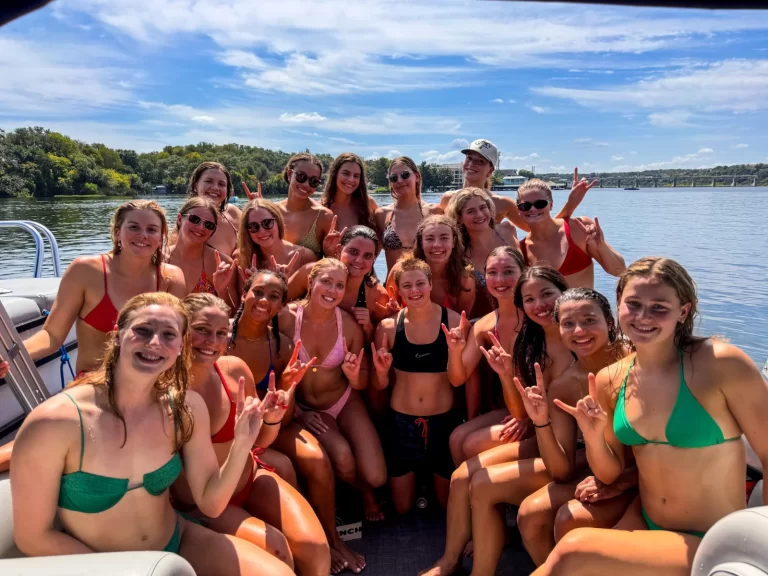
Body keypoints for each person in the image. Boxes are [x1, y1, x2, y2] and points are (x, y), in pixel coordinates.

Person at [10, 292, 293, 576]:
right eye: (143, 330)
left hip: (177, 541)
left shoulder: (184, 406)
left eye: (169, 335)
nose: (155, 343)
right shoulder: (55, 422)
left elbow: (211, 503)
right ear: (118, 335)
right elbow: (34, 537)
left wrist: (243, 441)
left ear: (180, 347)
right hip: (101, 565)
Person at [534, 257, 768, 576]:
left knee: (572, 552)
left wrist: (760, 541)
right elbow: (608, 473)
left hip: (715, 537)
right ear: (619, 304)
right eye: (634, 304)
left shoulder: (721, 364)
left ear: (683, 311)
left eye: (659, 307)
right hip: (645, 518)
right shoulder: (611, 378)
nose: (644, 317)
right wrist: (592, 435)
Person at [419, 265, 573, 576]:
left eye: (547, 295)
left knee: (482, 482)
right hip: (546, 438)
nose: (539, 305)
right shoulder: (533, 343)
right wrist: (505, 375)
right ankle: (449, 561)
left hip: (574, 450)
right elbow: (519, 411)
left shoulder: (580, 339)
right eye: (530, 299)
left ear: (564, 294)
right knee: (462, 477)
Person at [173, 293, 330, 575]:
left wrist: (271, 420)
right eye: (201, 330)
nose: (212, 341)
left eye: (221, 333)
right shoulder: (165, 392)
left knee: (316, 552)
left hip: (251, 479)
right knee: (278, 552)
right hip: (202, 505)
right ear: (181, 329)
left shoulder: (234, 370)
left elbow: (259, 443)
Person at [229, 269, 365, 574]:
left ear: (281, 307)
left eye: (274, 297)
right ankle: (302, 540)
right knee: (286, 467)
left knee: (318, 459)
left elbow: (284, 413)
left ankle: (333, 540)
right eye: (258, 292)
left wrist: (288, 395)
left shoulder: (281, 346)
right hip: (229, 434)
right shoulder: (220, 338)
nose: (265, 301)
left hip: (272, 426)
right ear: (244, 293)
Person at [515, 288, 635, 567]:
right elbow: (561, 471)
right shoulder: (564, 385)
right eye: (568, 323)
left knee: (570, 517)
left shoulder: (636, 362)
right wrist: (540, 420)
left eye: (589, 320)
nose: (579, 330)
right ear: (559, 330)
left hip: (644, 476)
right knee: (530, 515)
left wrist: (625, 481)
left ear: (609, 321)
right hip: (605, 470)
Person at [282, 259, 387, 531]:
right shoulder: (287, 318)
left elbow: (363, 381)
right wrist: (299, 413)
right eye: (326, 282)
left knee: (377, 475)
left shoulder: (348, 326)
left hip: (344, 400)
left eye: (340, 285)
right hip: (307, 408)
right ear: (310, 282)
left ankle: (366, 486)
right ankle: (362, 492)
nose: (332, 290)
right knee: (342, 456)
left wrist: (353, 374)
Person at [23, 200, 186, 374]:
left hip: (150, 387)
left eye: (152, 230)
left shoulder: (171, 278)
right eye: (134, 227)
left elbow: (177, 346)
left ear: (160, 239)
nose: (143, 235)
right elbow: (52, 336)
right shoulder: (85, 271)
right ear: (117, 233)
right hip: (92, 387)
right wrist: (7, 357)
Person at [371, 257, 463, 514]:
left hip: (443, 423)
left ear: (431, 284)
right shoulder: (388, 327)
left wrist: (455, 352)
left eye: (420, 283)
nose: (414, 290)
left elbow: (458, 380)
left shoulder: (453, 322)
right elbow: (380, 385)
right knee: (401, 509)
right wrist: (381, 372)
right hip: (402, 424)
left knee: (445, 508)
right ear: (397, 290)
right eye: (407, 285)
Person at [446, 246, 527, 463]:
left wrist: (529, 417)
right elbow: (457, 378)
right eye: (492, 272)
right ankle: (469, 492)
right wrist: (455, 351)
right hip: (510, 407)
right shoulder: (486, 325)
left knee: (472, 445)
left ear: (523, 273)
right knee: (456, 439)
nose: (500, 279)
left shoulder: (536, 315)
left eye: (509, 271)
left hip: (543, 409)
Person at [439, 140, 588, 229]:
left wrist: (571, 203)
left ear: (490, 170)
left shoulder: (502, 203)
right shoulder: (447, 199)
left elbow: (539, 229)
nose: (472, 164)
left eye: (480, 161)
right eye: (469, 158)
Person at [517, 177, 625, 289]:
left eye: (540, 204)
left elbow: (619, 271)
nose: (533, 209)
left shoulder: (579, 228)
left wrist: (601, 247)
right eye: (525, 206)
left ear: (551, 205)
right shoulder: (522, 250)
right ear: (518, 210)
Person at [445, 187, 518, 320]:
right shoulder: (458, 252)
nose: (479, 215)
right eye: (471, 211)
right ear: (459, 218)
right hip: (481, 321)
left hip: (519, 315)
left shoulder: (507, 231)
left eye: (483, 207)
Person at [387, 215, 476, 317]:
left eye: (444, 238)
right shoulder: (401, 270)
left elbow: (461, 323)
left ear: (454, 242)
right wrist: (394, 315)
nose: (437, 245)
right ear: (421, 242)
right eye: (430, 239)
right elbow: (387, 314)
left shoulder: (464, 280)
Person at [233, 198, 316, 307]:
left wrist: (286, 286)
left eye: (267, 223)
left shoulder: (305, 256)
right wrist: (251, 288)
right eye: (253, 227)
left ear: (278, 221)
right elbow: (239, 307)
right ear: (247, 231)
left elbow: (313, 304)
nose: (262, 231)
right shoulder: (241, 257)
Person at [375, 157, 442, 272]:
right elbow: (371, 254)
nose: (399, 181)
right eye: (394, 178)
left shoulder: (433, 211)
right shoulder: (382, 214)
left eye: (405, 175)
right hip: (392, 287)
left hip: (425, 286)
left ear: (416, 176)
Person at [166, 197, 230, 296]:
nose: (201, 227)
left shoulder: (222, 264)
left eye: (208, 225)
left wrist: (222, 291)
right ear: (179, 219)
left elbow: (234, 310)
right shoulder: (158, 259)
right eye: (194, 219)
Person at [276, 153, 335, 260]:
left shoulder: (324, 216)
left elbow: (331, 265)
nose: (306, 185)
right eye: (301, 176)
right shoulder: (271, 212)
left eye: (313, 181)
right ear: (289, 174)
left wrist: (330, 251)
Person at [187, 161, 241, 257]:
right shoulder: (188, 220)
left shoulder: (233, 212)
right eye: (208, 181)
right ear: (195, 186)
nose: (215, 187)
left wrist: (258, 207)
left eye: (221, 184)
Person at [320, 152, 379, 233]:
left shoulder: (369, 203)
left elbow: (381, 240)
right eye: (346, 173)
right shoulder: (321, 208)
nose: (351, 179)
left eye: (356, 176)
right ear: (335, 174)